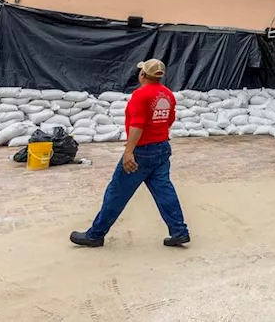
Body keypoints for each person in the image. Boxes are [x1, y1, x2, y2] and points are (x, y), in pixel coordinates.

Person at [70, 59, 190, 247]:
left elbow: (137, 125)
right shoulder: (167, 95)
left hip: (142, 151)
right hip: (161, 148)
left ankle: (95, 235)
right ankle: (179, 231)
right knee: (164, 190)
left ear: (142, 74)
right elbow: (169, 120)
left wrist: (129, 152)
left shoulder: (140, 95)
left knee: (116, 192)